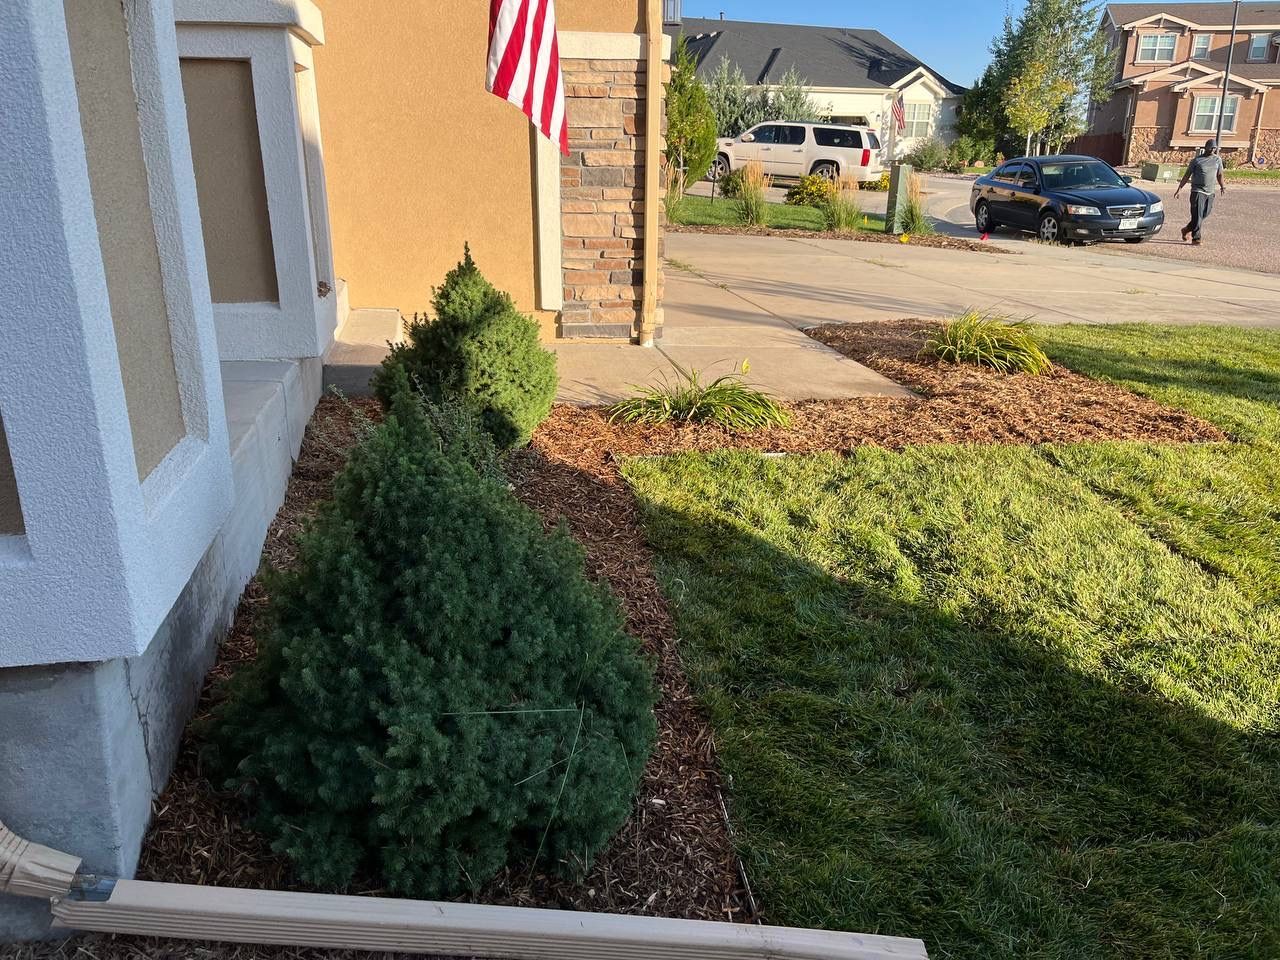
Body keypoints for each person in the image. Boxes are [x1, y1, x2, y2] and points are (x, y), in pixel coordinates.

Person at [1174, 139, 1226, 245]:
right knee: (1197, 215)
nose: (1212, 149)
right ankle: (1196, 238)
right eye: (1211, 147)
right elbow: (1187, 175)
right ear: (1206, 147)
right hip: (1197, 191)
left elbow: (1220, 174)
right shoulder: (1197, 160)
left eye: (1215, 148)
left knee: (1204, 214)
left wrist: (1222, 186)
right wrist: (1179, 189)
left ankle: (1186, 229)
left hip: (1210, 192)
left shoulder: (1217, 160)